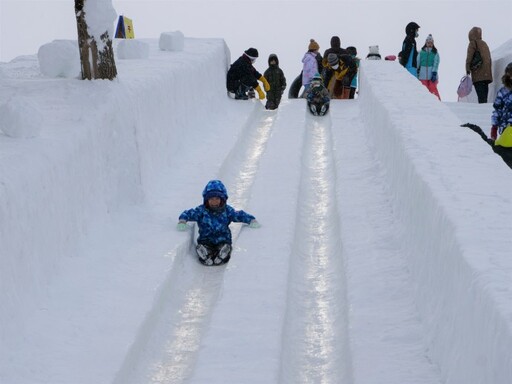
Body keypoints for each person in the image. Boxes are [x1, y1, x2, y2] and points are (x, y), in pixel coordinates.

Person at [177, 180, 260, 266]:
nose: (214, 201)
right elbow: (189, 213)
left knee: (224, 246)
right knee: (204, 246)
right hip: (206, 240)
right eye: (211, 199)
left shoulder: (227, 210)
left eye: (217, 199)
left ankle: (223, 254)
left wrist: (251, 220)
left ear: (222, 199)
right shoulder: (201, 211)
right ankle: (205, 254)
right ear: (206, 200)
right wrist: (182, 221)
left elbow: (239, 215)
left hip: (223, 239)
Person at [465, 26, 493, 104]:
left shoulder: (473, 43)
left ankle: (482, 109)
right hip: (487, 75)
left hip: (478, 74)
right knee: (484, 97)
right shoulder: (484, 43)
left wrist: (467, 68)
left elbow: (469, 57)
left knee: (481, 98)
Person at [490, 62, 512, 141]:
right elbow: (497, 110)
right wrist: (494, 128)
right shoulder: (502, 92)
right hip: (506, 129)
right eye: (510, 73)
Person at [417, 34, 441, 100]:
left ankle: (437, 101)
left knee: (432, 88)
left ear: (433, 43)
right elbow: (418, 62)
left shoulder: (435, 53)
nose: (430, 44)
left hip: (431, 74)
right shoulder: (421, 52)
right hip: (422, 74)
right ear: (426, 43)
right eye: (428, 43)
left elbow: (436, 63)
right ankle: (424, 101)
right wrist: (417, 70)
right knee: (424, 89)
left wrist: (434, 72)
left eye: (431, 43)